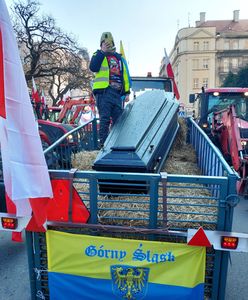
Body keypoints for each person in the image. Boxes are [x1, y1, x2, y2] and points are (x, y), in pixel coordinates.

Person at [89, 32, 131, 147]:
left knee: (119, 120)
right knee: (105, 119)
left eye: (108, 43)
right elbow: (93, 67)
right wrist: (102, 52)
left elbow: (125, 76)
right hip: (104, 92)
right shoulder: (98, 54)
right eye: (104, 43)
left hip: (117, 94)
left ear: (112, 43)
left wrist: (127, 92)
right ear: (101, 44)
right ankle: (103, 145)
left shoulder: (119, 58)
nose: (106, 45)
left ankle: (117, 144)